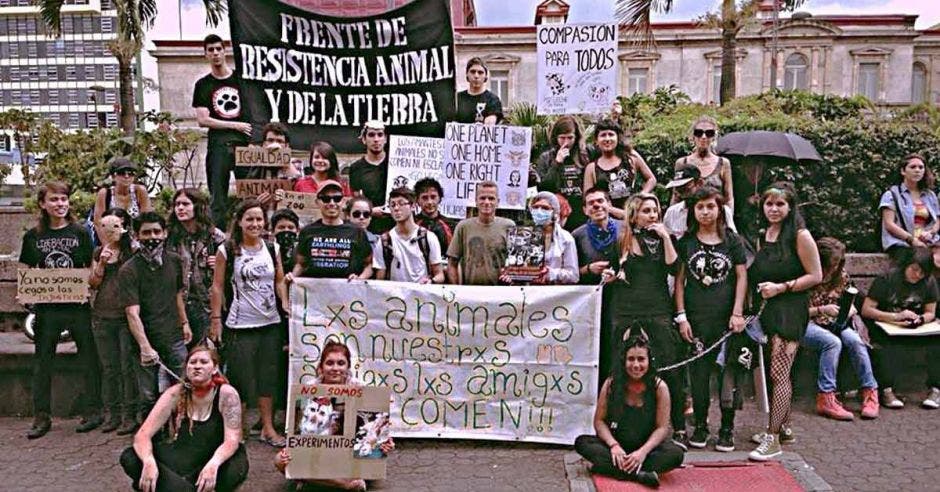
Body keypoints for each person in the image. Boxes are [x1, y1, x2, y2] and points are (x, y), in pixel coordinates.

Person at [601, 193, 686, 448]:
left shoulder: (662, 240)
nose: (653, 215)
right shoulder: (621, 240)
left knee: (668, 365)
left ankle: (678, 426)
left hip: (657, 308)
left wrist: (665, 237)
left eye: (655, 210)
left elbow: (674, 267)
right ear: (634, 215)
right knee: (620, 365)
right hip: (625, 309)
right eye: (647, 211)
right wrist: (610, 276)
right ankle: (617, 424)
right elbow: (615, 271)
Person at [18, 181, 101, 438]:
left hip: (77, 306)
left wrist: (92, 279)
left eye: (64, 199)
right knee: (43, 362)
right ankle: (41, 416)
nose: (60, 204)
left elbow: (90, 268)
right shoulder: (33, 236)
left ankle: (93, 411)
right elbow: (25, 269)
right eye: (54, 200)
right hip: (47, 309)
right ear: (43, 204)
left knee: (89, 358)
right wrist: (27, 290)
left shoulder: (80, 233)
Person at [748, 183, 822, 461]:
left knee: (780, 374)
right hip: (768, 309)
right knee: (775, 372)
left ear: (790, 207)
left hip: (790, 308)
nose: (774, 209)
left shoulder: (800, 236)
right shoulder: (763, 235)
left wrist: (783, 287)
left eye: (780, 204)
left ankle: (773, 437)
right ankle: (784, 426)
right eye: (769, 204)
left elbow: (815, 275)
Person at [674, 187, 747, 452]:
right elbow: (679, 282)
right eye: (700, 207)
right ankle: (701, 425)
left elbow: (741, 277)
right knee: (699, 375)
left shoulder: (732, 241)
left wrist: (738, 313)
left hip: (727, 320)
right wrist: (681, 317)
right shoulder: (686, 242)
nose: (705, 212)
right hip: (696, 318)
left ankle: (727, 427)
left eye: (710, 206)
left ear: (720, 210)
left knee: (728, 374)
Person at [210, 199, 289, 447]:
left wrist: (284, 302)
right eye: (250, 219)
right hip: (240, 324)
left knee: (268, 377)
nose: (255, 224)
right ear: (240, 222)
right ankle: (237, 430)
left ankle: (267, 427)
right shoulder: (227, 250)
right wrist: (215, 320)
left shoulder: (272, 248)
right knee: (242, 379)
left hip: (270, 323)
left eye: (259, 219)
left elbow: (278, 280)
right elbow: (217, 286)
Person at [120, 345, 248, 492]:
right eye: (192, 362)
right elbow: (142, 435)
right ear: (186, 368)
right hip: (186, 454)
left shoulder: (227, 393)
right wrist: (148, 462)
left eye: (204, 362)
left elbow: (232, 441)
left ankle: (169, 486)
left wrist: (213, 464)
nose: (197, 366)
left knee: (227, 473)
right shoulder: (176, 393)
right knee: (130, 457)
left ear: (214, 369)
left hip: (220, 458)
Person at [274, 341, 395, 491]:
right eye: (330, 363)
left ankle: (313, 481)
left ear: (348, 367)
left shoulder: (362, 389)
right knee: (280, 460)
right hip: (317, 450)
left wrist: (383, 441)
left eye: (341, 363)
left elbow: (374, 428)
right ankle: (345, 485)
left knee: (372, 455)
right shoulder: (309, 389)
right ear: (321, 367)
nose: (335, 368)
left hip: (348, 454)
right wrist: (291, 449)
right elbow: (298, 431)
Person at [574, 331, 684, 488]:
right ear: (623, 361)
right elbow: (599, 422)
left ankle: (611, 469)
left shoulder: (660, 387)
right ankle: (640, 475)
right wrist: (614, 446)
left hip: (645, 450)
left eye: (641, 359)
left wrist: (642, 453)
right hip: (617, 448)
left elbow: (662, 428)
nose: (636, 365)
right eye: (631, 359)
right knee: (582, 442)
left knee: (676, 455)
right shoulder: (611, 384)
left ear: (649, 361)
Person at [119, 211, 192, 414]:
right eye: (146, 233)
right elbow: (132, 313)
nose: (152, 237)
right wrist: (145, 347)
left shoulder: (175, 261)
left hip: (174, 335)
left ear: (165, 233)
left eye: (157, 232)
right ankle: (149, 434)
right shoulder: (129, 269)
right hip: (145, 339)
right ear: (136, 236)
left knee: (184, 385)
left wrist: (184, 323)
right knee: (148, 394)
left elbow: (177, 294)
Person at [803, 237, 879, 421]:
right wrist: (821, 310)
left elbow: (850, 300)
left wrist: (849, 309)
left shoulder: (841, 276)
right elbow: (795, 312)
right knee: (832, 343)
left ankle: (870, 391)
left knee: (855, 341)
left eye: (838, 263)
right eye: (831, 264)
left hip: (835, 321)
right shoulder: (807, 274)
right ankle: (826, 396)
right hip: (807, 322)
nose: (834, 268)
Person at [862, 247, 940, 410]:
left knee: (936, 343)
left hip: (914, 327)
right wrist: (894, 317)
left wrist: (920, 319)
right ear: (906, 265)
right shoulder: (887, 279)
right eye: (914, 269)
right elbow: (867, 309)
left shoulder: (929, 282)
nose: (917, 275)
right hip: (886, 325)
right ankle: (887, 390)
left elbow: (930, 312)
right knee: (883, 345)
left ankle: (935, 389)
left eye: (922, 273)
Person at [192, 34, 253, 229]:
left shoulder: (241, 80)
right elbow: (203, 120)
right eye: (211, 50)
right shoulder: (203, 85)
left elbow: (255, 111)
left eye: (219, 49)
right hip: (218, 146)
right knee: (217, 199)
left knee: (248, 195)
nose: (216, 53)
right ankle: (217, 241)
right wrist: (235, 125)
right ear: (206, 54)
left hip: (244, 146)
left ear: (225, 51)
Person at [89, 208, 140, 434]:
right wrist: (101, 263)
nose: (111, 231)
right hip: (102, 316)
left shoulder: (133, 252)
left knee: (127, 367)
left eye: (117, 226)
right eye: (107, 227)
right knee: (109, 368)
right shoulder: (99, 251)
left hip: (125, 317)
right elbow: (93, 283)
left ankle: (130, 415)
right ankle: (113, 414)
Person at [165, 189, 226, 349]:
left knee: (206, 352)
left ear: (197, 206)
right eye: (177, 204)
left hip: (206, 304)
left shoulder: (214, 236)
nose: (180, 208)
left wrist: (219, 264)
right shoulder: (169, 236)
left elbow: (232, 263)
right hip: (177, 304)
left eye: (185, 204)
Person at [293, 182, 373, 280]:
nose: (331, 203)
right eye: (326, 199)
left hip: (347, 291)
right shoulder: (307, 231)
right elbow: (301, 264)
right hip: (315, 291)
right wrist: (292, 278)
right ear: (317, 202)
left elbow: (368, 265)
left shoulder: (357, 232)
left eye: (337, 198)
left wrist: (359, 279)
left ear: (343, 202)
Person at [501, 192, 578, 285]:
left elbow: (573, 275)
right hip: (528, 292)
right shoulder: (521, 236)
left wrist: (550, 273)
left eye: (545, 208)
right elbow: (516, 264)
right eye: (536, 207)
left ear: (555, 212)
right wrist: (510, 274)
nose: (539, 211)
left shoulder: (565, 239)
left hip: (554, 294)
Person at [447, 181, 516, 285]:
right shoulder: (463, 227)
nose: (487, 202)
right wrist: (456, 291)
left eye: (491, 198)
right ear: (476, 201)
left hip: (502, 293)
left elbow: (516, 262)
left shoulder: (509, 226)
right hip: (471, 293)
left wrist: (511, 276)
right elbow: (452, 263)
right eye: (482, 198)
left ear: (498, 202)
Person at [374, 187, 445, 284]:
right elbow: (380, 280)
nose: (396, 208)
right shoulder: (384, 240)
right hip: (394, 296)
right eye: (392, 205)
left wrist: (431, 281)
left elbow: (439, 275)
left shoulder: (428, 237)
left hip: (421, 295)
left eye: (401, 203)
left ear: (413, 206)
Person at [583, 119, 656, 212]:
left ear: (618, 137)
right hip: (607, 218)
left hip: (634, 214)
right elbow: (588, 197)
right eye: (603, 135)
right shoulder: (591, 168)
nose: (607, 139)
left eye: (611, 134)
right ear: (596, 140)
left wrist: (640, 197)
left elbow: (651, 179)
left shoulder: (631, 157)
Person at [879, 153, 940, 263]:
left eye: (921, 167)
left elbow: (937, 219)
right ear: (903, 171)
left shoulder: (929, 195)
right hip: (902, 243)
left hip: (929, 242)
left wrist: (931, 233)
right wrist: (912, 240)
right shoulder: (891, 194)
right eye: (913, 167)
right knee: (919, 260)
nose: (917, 170)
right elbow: (889, 224)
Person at [535, 116, 590, 231]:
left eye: (570, 138)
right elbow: (543, 188)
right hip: (557, 214)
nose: (566, 142)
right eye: (562, 138)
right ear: (556, 137)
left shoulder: (585, 154)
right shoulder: (546, 157)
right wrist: (557, 163)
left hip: (581, 213)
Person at [672, 116, 734, 212]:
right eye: (699, 133)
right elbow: (676, 196)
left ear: (714, 136)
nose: (703, 137)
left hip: (715, 219)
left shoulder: (723, 163)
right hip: (687, 217)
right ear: (693, 136)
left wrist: (728, 221)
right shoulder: (682, 163)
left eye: (709, 133)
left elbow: (729, 198)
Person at [663, 166, 736, 238]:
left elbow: (733, 238)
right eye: (678, 188)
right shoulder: (672, 212)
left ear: (699, 183)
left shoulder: (722, 210)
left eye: (686, 187)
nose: (682, 193)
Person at [348, 121, 392, 234]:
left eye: (380, 135)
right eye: (371, 135)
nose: (376, 139)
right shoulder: (356, 168)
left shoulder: (397, 162)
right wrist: (371, 211)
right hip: (369, 228)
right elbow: (356, 200)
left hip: (396, 225)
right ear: (364, 139)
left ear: (386, 139)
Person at [93, 157, 152, 230]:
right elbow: (98, 223)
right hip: (110, 237)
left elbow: (147, 220)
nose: (126, 176)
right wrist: (106, 241)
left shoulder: (140, 191)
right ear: (113, 177)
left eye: (130, 173)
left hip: (136, 238)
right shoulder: (105, 194)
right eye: (121, 173)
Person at [414, 177, 457, 252]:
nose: (429, 202)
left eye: (433, 197)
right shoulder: (411, 224)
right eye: (425, 198)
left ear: (440, 198)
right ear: (417, 200)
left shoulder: (451, 226)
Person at [455, 57, 503, 125]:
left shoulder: (492, 100)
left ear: (486, 76)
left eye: (480, 72)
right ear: (467, 74)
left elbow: (490, 123)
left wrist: (482, 128)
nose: (476, 76)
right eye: (473, 72)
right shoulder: (457, 98)